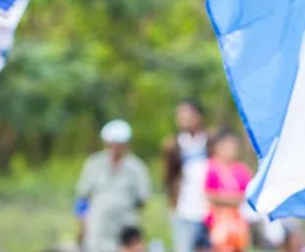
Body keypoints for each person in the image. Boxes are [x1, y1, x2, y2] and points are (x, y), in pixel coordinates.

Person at [74, 120, 151, 252]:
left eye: (119, 145)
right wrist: (82, 224)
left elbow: (142, 201)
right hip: (98, 228)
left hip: (125, 229)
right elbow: (82, 198)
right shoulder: (94, 164)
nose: (115, 149)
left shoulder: (137, 168)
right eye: (112, 144)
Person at [162, 100, 210, 252]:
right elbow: (168, 176)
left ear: (198, 116)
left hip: (209, 210)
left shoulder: (210, 141)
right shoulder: (173, 145)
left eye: (187, 114)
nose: (183, 118)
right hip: (184, 210)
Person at [204, 130, 253, 252]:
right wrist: (234, 199)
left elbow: (248, 194)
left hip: (239, 222)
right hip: (218, 222)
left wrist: (231, 199)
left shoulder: (242, 170)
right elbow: (210, 195)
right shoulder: (212, 167)